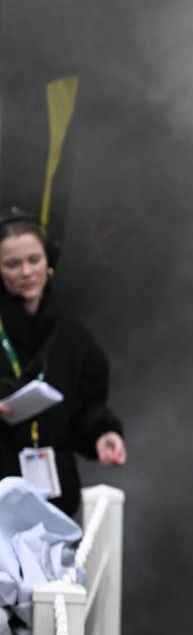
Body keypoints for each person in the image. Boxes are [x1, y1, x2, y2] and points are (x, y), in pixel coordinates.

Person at [0, 208, 124, 517]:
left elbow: (86, 408)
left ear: (49, 262)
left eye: (34, 260)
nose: (27, 272)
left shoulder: (73, 337)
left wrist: (103, 434)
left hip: (55, 502)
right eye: (13, 264)